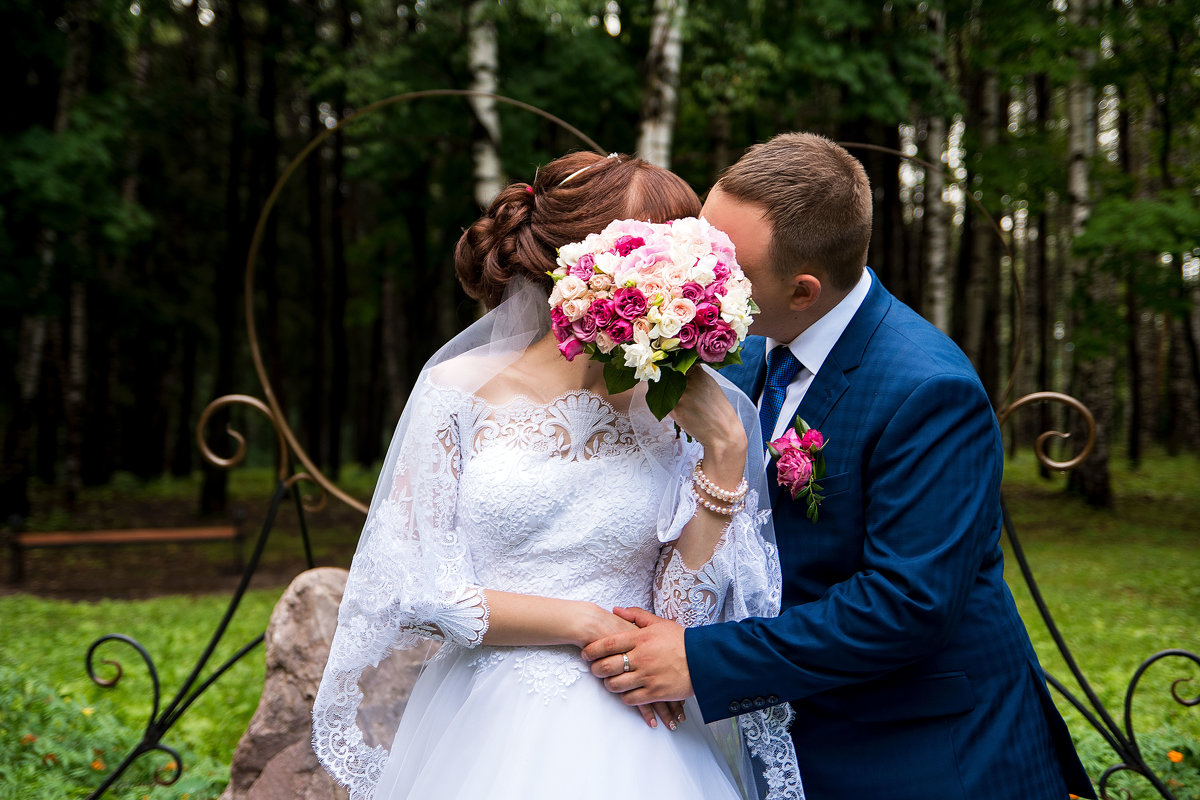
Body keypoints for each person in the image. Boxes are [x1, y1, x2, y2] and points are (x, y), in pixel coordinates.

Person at [583, 133, 1097, 800]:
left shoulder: (927, 390)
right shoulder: (736, 356)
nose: (698, 278)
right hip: (796, 723)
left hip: (919, 747)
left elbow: (906, 605)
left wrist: (699, 660)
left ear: (802, 290)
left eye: (724, 268)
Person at [311, 151, 800, 800]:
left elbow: (685, 619)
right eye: (656, 258)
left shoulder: (694, 408)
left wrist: (726, 455)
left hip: (644, 729)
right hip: (486, 724)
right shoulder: (457, 391)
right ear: (579, 266)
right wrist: (582, 621)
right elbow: (417, 588)